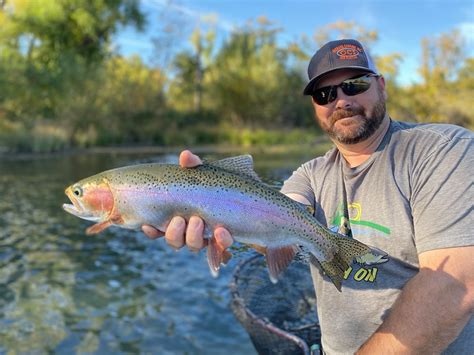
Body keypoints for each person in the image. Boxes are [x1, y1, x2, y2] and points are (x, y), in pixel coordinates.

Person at [142, 39, 474, 354]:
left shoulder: (443, 151)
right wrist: (207, 203)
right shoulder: (309, 175)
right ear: (315, 106)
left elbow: (455, 286)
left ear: (381, 85)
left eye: (355, 84)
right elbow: (275, 224)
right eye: (324, 93)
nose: (341, 100)